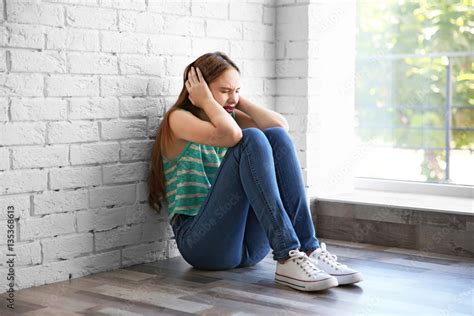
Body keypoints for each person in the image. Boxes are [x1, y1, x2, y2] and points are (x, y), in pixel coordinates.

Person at [147, 51, 363, 292]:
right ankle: (286, 255)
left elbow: (280, 127)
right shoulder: (178, 119)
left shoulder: (228, 116)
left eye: (237, 90)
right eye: (225, 90)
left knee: (274, 136)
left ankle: (308, 249)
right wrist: (208, 101)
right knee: (250, 138)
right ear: (199, 90)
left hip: (248, 248)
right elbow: (231, 136)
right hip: (202, 245)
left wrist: (236, 100)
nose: (233, 98)